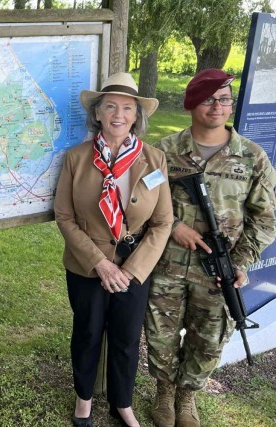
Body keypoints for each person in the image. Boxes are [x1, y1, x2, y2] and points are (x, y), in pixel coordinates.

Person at [145, 69, 276, 427]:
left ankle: (186, 398)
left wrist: (242, 261)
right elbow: (140, 201)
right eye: (208, 99)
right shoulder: (164, 152)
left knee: (210, 340)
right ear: (191, 104)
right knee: (160, 334)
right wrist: (174, 227)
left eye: (224, 99)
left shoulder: (252, 157)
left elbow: (265, 218)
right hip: (166, 265)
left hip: (219, 271)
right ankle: (164, 393)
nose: (217, 106)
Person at [54, 72, 173, 427]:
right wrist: (101, 264)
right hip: (87, 267)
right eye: (110, 107)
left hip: (135, 268)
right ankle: (84, 399)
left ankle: (123, 403)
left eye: (127, 108)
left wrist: (131, 271)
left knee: (125, 339)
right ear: (99, 114)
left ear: (137, 116)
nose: (118, 114)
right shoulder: (76, 158)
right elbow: (64, 216)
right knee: (87, 334)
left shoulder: (155, 160)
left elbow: (163, 222)